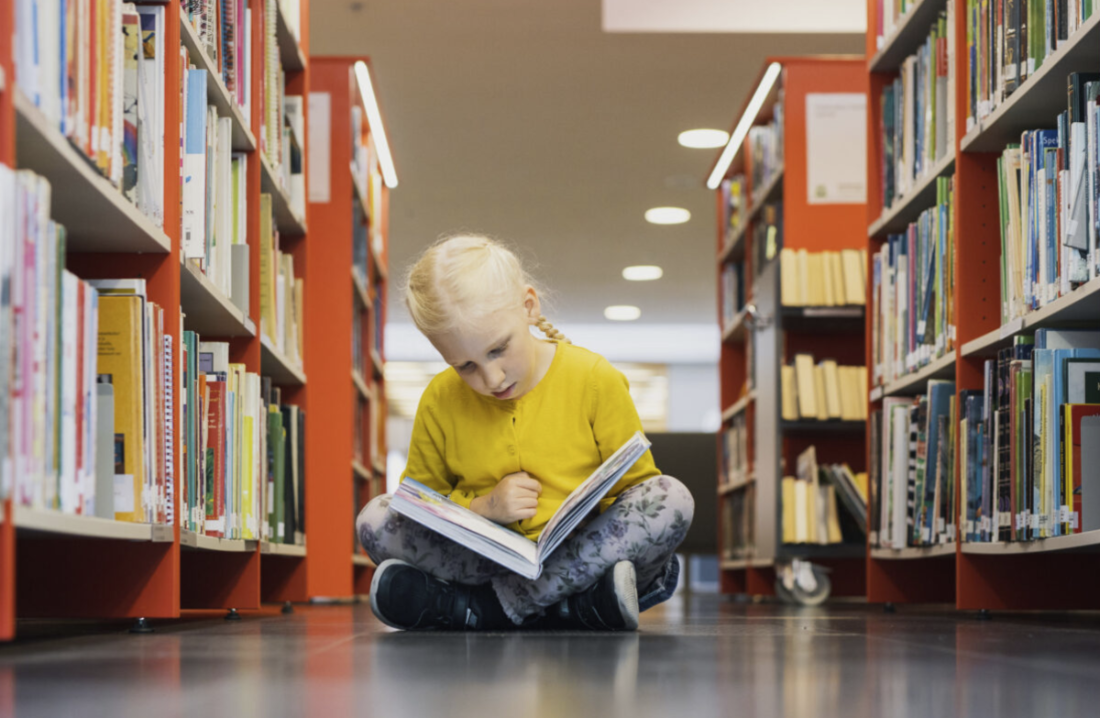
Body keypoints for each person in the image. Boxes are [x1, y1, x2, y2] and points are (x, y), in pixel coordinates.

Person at [357, 235, 694, 631]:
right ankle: (575, 606)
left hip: (577, 554)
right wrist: (484, 508)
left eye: (498, 350)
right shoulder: (438, 399)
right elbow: (420, 505)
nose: (491, 378)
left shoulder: (594, 378)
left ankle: (477, 606)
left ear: (529, 307)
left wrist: (581, 519)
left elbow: (639, 489)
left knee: (671, 499)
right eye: (465, 366)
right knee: (374, 520)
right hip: (486, 557)